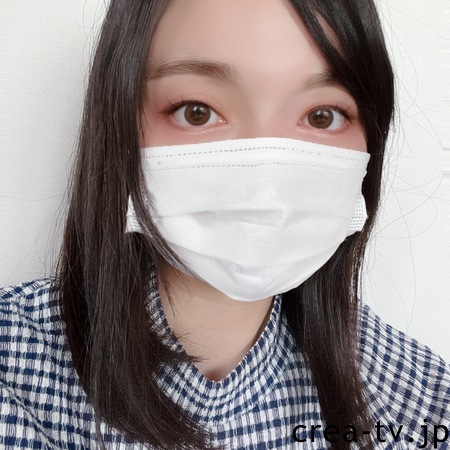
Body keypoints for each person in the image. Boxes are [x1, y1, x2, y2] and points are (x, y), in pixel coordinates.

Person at [0, 0, 449, 449]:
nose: (266, 182)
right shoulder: (13, 373)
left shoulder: (421, 407)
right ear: (117, 126)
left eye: (322, 116)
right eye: (196, 111)